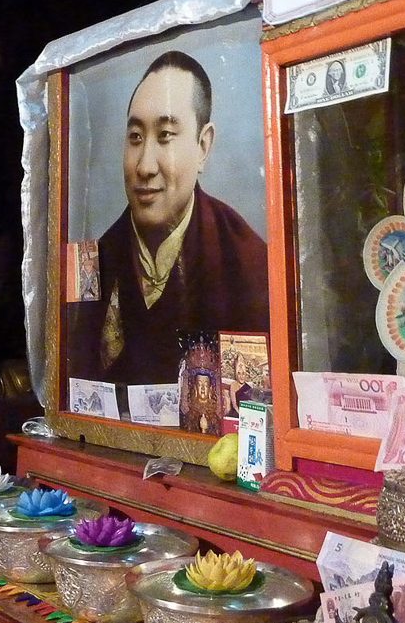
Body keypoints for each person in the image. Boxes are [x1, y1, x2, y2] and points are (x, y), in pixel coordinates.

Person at [71, 50, 269, 385]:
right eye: (135, 138)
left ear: (203, 146)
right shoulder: (92, 260)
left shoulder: (248, 261)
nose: (144, 167)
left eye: (165, 136)